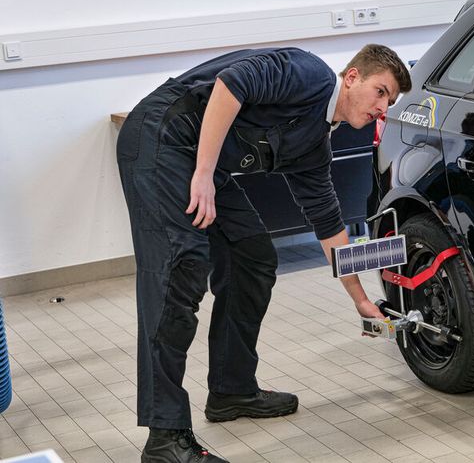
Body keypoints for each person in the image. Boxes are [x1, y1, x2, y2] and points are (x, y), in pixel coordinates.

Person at [116, 44, 412, 462]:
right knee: (180, 266)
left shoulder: (314, 144)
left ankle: (231, 389)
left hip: (201, 160)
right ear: (351, 78)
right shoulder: (306, 72)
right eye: (381, 91)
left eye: (391, 101)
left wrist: (361, 300)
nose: (383, 106)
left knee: (251, 256)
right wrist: (203, 174)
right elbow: (230, 85)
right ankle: (165, 438)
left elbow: (329, 228)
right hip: (160, 135)